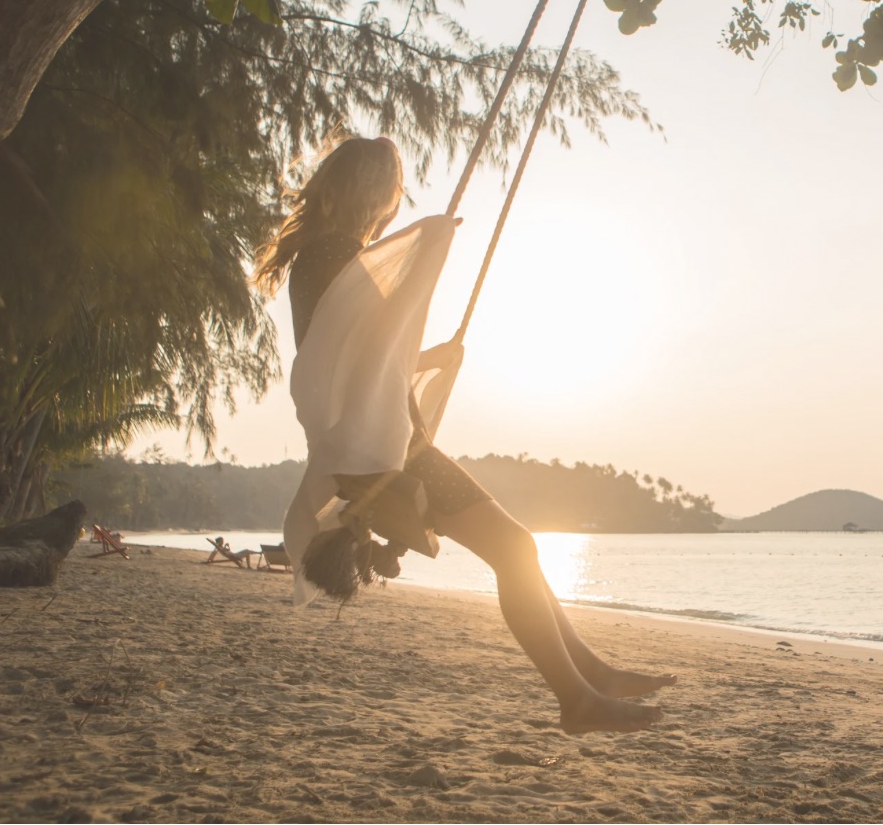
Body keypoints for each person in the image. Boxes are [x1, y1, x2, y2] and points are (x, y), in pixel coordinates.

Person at [252, 136, 671, 734]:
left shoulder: (321, 258)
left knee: (517, 549)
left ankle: (590, 678)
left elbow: (360, 358)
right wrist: (429, 246)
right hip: (387, 450)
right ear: (374, 194)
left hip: (375, 445)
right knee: (515, 549)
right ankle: (577, 696)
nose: (392, 208)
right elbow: (365, 356)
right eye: (391, 195)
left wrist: (429, 358)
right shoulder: (339, 255)